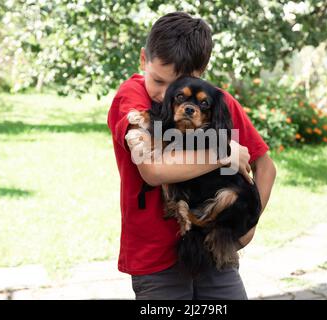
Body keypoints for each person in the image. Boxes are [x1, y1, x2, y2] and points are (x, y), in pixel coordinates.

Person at [107, 12, 276, 300]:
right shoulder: (132, 97)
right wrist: (223, 154)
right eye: (158, 81)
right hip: (156, 257)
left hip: (216, 249)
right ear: (143, 60)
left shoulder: (216, 104)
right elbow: (152, 170)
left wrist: (248, 224)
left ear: (201, 71)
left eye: (178, 84)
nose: (164, 95)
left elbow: (265, 167)